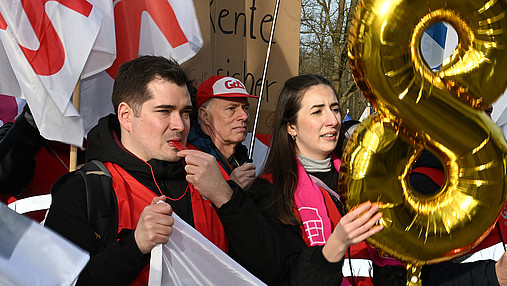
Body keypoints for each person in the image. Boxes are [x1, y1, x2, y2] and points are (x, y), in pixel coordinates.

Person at [44, 56, 271, 285]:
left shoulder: (211, 174)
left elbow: (268, 268)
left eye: (185, 112)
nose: (180, 126)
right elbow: (63, 281)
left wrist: (227, 197)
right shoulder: (85, 189)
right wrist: (135, 245)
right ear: (126, 116)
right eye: (165, 111)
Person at [246, 74, 386, 285]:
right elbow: (285, 277)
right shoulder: (270, 193)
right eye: (317, 111)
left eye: (335, 109)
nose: (333, 121)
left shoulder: (363, 180)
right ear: (291, 127)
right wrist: (335, 246)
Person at [187, 76, 258, 189]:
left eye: (245, 108)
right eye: (231, 108)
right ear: (205, 116)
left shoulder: (240, 157)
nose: (244, 116)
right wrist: (230, 190)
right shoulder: (190, 162)